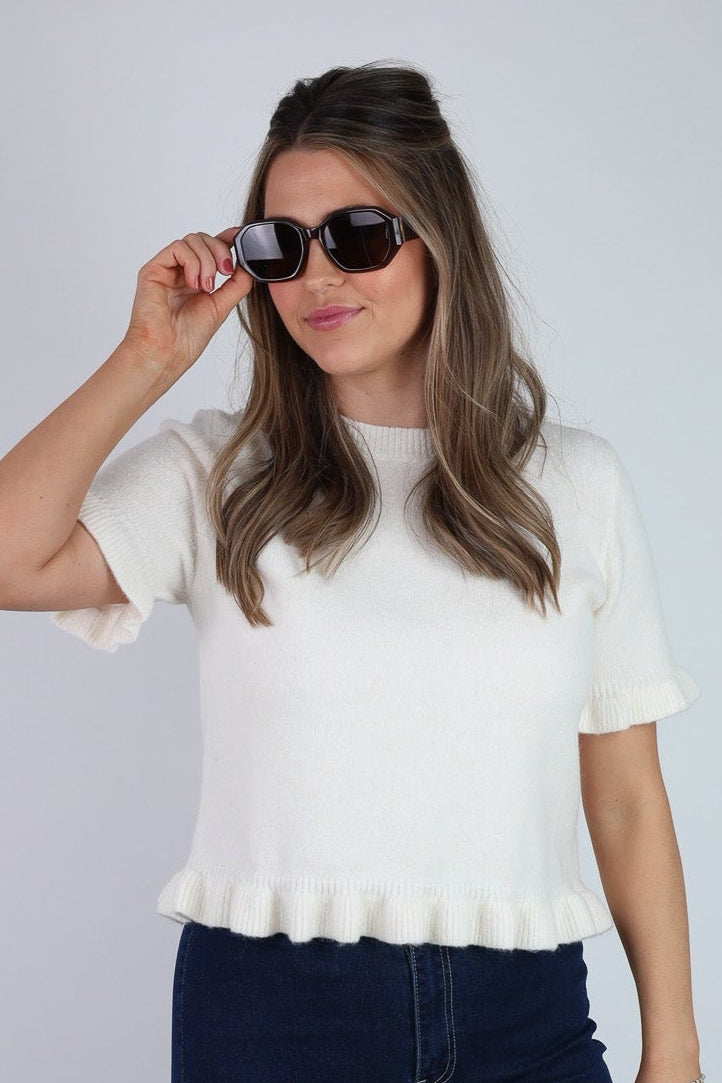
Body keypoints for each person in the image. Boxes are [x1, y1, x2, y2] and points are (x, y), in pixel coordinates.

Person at [0, 60, 705, 1083]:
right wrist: (149, 359)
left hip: (529, 1021)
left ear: (437, 241)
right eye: (280, 248)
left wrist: (672, 1052)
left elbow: (628, 801)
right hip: (274, 1022)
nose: (318, 278)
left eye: (358, 236)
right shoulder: (219, 475)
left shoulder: (573, 486)